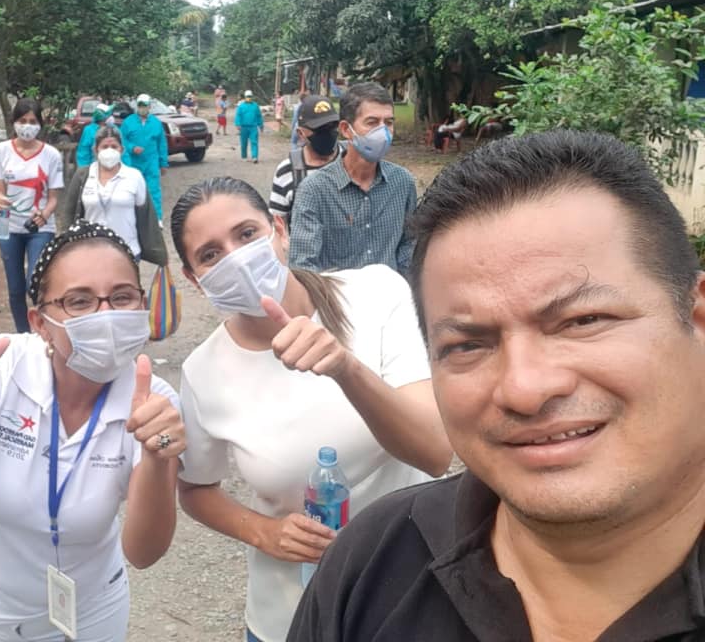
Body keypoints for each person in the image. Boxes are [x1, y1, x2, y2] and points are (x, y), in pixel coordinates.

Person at [290, 130, 705, 641]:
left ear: (697, 321)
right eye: (468, 345)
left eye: (582, 320)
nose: (524, 389)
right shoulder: (372, 563)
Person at [168, 177, 452, 642]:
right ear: (194, 278)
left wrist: (346, 369)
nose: (236, 258)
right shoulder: (203, 372)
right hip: (290, 614)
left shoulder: (376, 294)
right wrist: (264, 532)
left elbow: (434, 453)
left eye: (246, 234)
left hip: (406, 595)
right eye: (211, 254)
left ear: (279, 230)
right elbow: (197, 490)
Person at [0, 220, 185, 642]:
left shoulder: (153, 403)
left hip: (91, 615)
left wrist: (159, 460)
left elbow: (143, 553)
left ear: (142, 305)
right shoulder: (3, 367)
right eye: (79, 301)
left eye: (122, 297)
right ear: (39, 322)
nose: (105, 315)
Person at [289, 82, 416, 276]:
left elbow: (409, 247)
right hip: (334, 295)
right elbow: (303, 267)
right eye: (372, 122)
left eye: (389, 123)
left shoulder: (402, 183)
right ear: (346, 129)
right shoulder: (315, 190)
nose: (383, 132)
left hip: (391, 294)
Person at [0, 98, 64, 334]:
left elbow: (54, 198)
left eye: (32, 121)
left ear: (40, 124)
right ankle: (23, 334)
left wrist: (44, 214)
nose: (27, 126)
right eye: (22, 121)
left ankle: (44, 330)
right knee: (15, 288)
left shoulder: (51, 155)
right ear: (14, 122)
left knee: (35, 282)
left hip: (40, 229)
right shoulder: (0, 151)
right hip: (7, 226)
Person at [61, 126, 167, 266]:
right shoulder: (83, 176)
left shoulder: (134, 176)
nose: (109, 151)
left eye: (114, 147)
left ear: (122, 150)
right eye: (104, 147)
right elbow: (69, 212)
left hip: (127, 251)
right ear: (95, 150)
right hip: (91, 252)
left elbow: (146, 216)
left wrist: (158, 252)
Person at [268, 95, 344, 223]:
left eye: (332, 126)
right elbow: (278, 222)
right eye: (319, 129)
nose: (327, 133)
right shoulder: (287, 170)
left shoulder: (350, 159)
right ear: (301, 133)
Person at [120, 94, 168, 220]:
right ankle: (133, 218)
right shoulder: (128, 122)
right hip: (133, 163)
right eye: (140, 105)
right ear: (137, 106)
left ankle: (156, 219)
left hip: (151, 162)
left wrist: (163, 163)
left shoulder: (156, 123)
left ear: (149, 106)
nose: (142, 108)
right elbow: (121, 140)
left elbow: (162, 144)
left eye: (145, 105)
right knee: (132, 191)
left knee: (153, 191)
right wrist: (132, 147)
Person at [75, 103, 114, 169]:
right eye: (109, 115)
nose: (111, 117)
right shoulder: (89, 130)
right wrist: (85, 169)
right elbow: (84, 152)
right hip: (94, 168)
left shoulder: (114, 129)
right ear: (103, 117)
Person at [235, 90, 264, 164]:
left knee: (254, 142)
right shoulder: (241, 106)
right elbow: (238, 116)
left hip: (253, 127)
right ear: (245, 97)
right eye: (248, 96)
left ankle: (254, 157)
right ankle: (244, 156)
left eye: (250, 96)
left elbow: (259, 116)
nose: (249, 98)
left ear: (252, 97)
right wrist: (237, 124)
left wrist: (261, 125)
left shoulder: (255, 106)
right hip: (243, 127)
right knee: (243, 143)